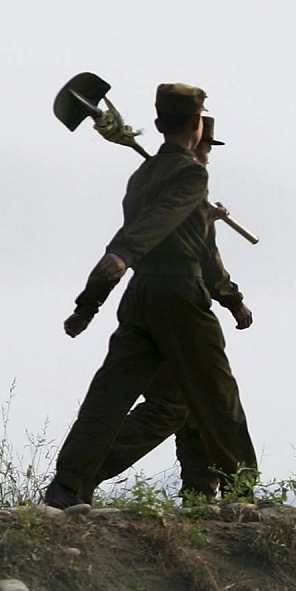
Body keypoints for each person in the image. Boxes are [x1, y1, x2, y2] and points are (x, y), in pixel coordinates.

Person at [43, 84, 258, 508]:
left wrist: (89, 302)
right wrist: (123, 256)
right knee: (216, 394)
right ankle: (240, 490)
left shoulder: (141, 176)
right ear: (198, 126)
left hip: (139, 294)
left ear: (158, 125)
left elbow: (142, 232)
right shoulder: (194, 175)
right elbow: (155, 225)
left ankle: (67, 487)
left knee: (107, 398)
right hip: (178, 294)